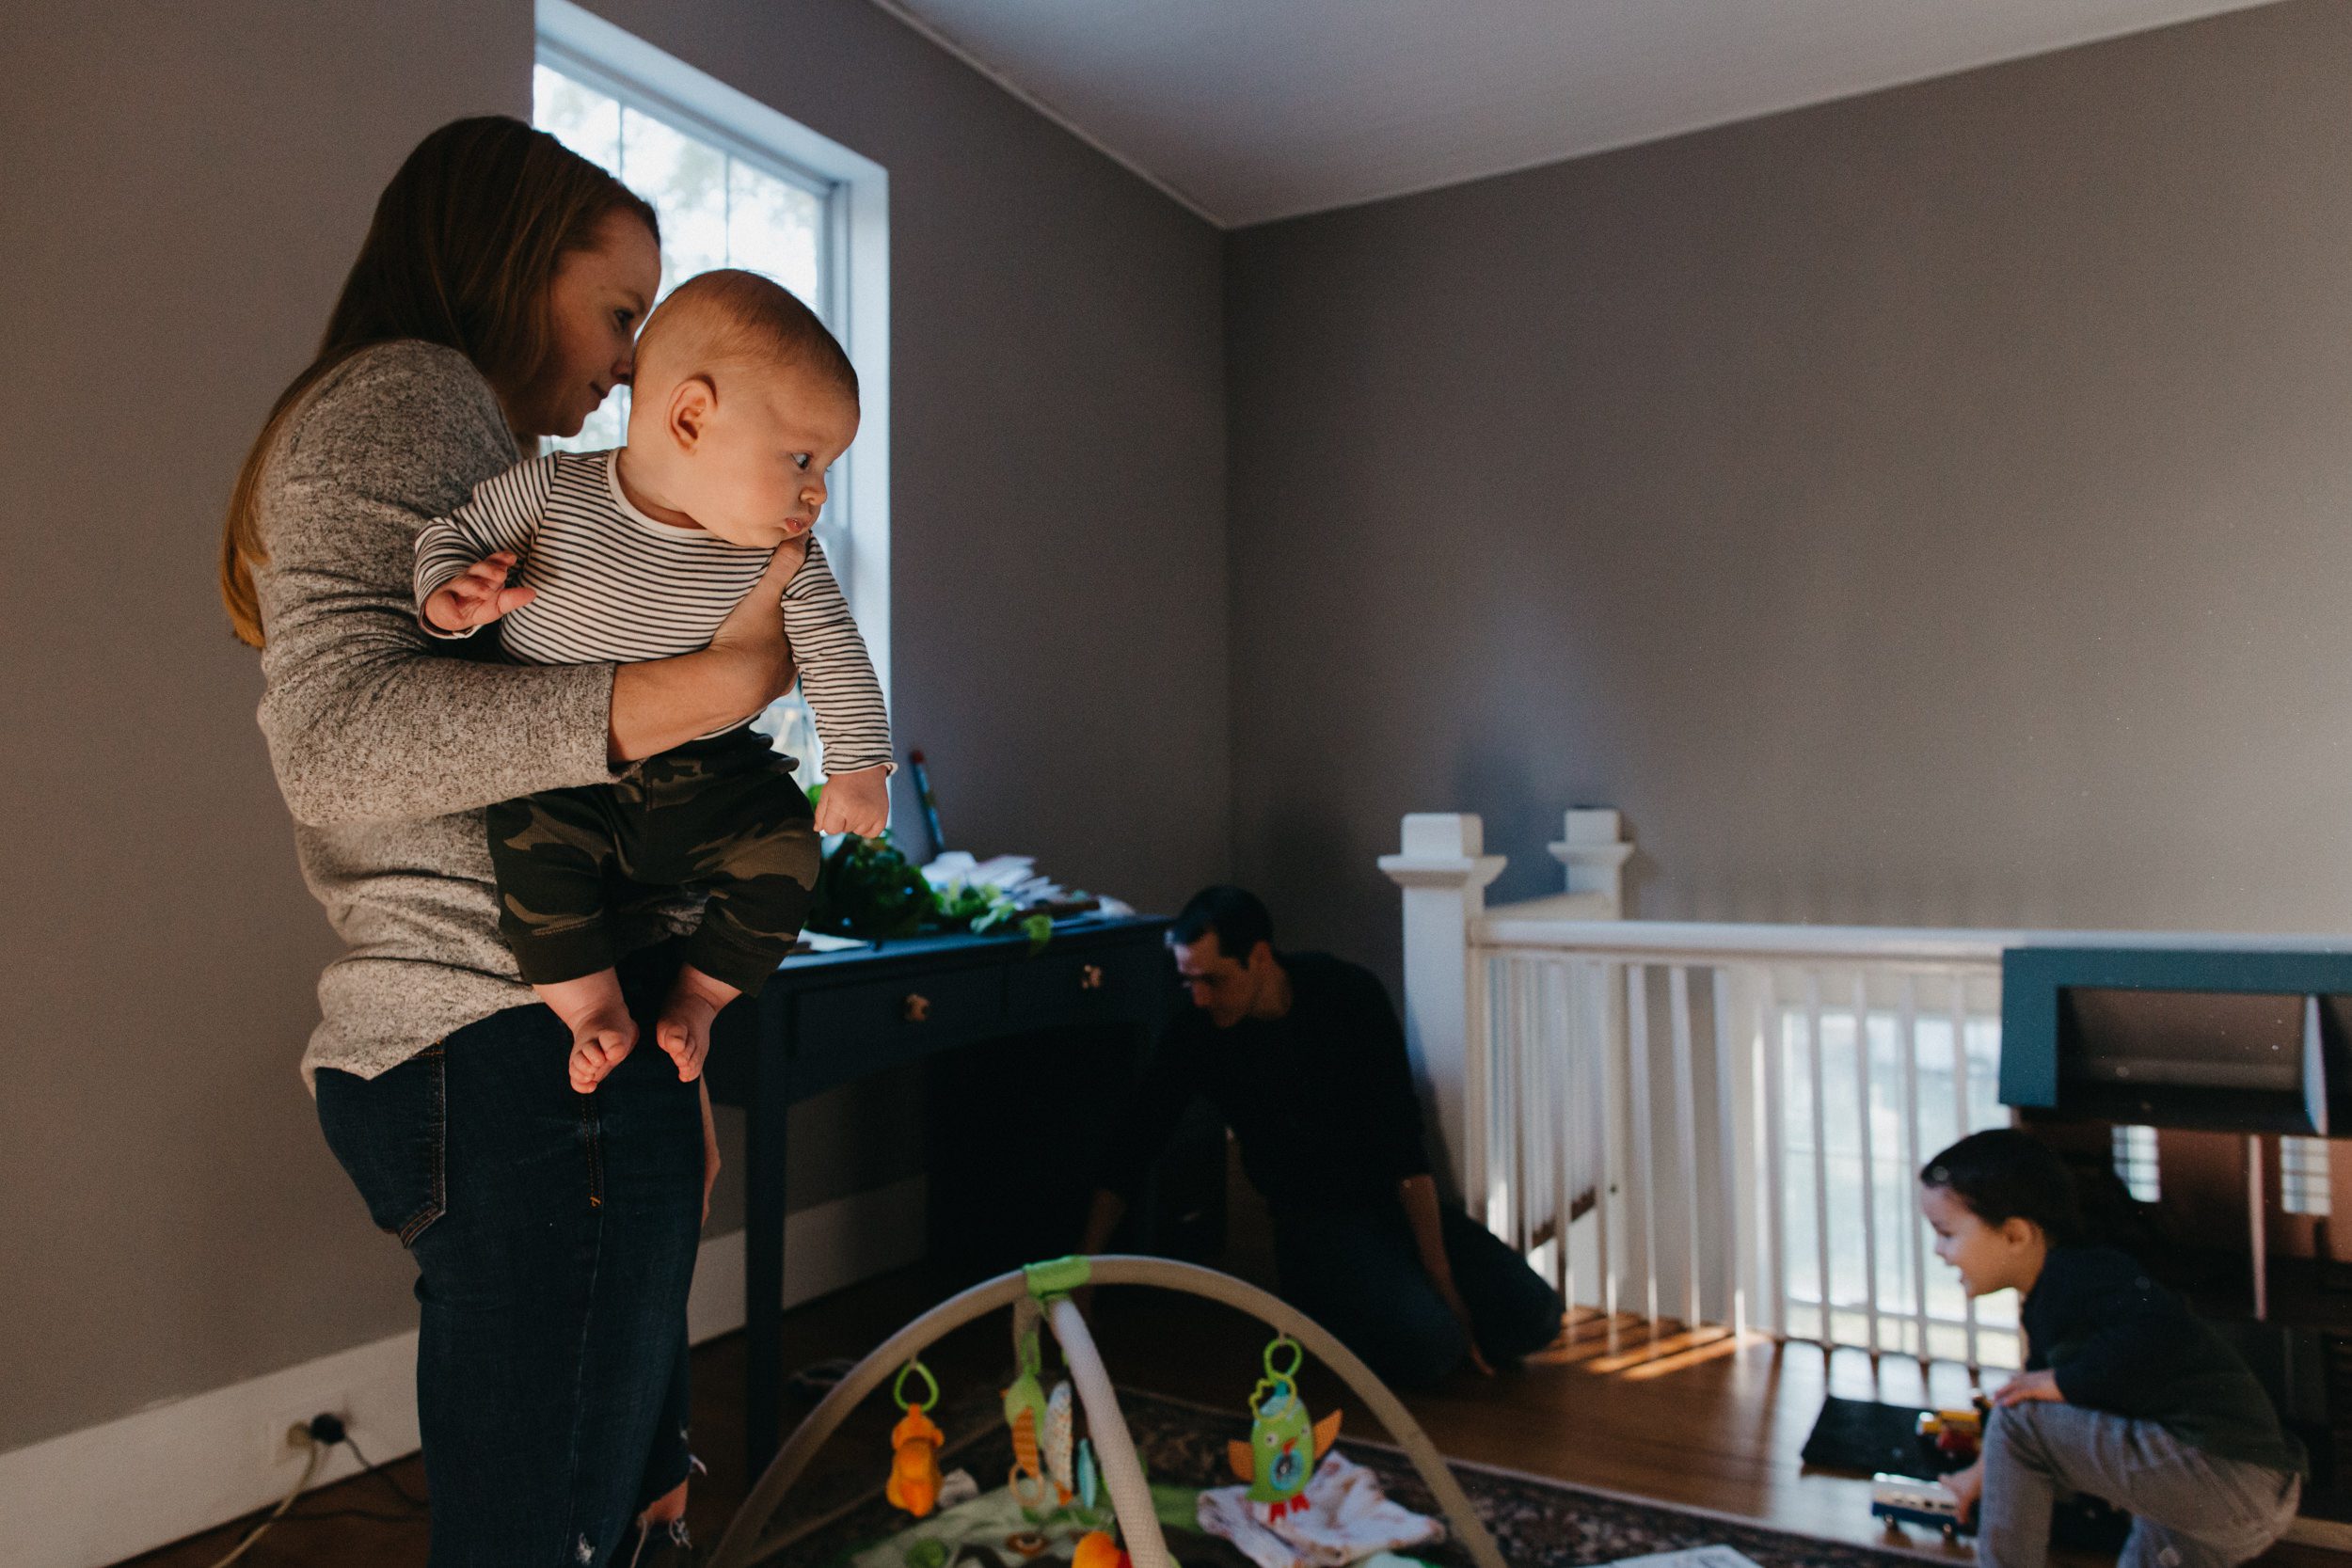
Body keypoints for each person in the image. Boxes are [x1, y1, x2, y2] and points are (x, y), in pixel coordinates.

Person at [224, 116, 801, 1566]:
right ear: (504, 261)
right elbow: (342, 740)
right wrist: (713, 685)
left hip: (534, 1043)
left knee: (611, 1510)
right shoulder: (417, 395)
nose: (626, 362)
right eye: (619, 312)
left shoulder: (469, 452)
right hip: (510, 1041)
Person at [414, 267, 892, 1096]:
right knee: (531, 861)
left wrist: (858, 762)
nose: (816, 492)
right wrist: (449, 596)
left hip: (705, 771)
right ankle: (591, 1007)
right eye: (804, 458)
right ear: (691, 416)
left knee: (785, 843)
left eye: (827, 468)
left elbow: (833, 647)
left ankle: (702, 997)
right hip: (562, 774)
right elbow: (452, 534)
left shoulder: (780, 551)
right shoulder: (555, 491)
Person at [1080, 886, 1564, 1388]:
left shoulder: (1347, 994)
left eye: (1214, 981)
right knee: (1433, 1347)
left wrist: (1444, 1280)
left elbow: (1406, 1149)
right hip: (1314, 1223)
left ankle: (1417, 1302)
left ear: (1260, 957)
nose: (1200, 997)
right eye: (1188, 983)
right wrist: (1085, 1278)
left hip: (1385, 1202)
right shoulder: (1197, 1031)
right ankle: (1349, 1312)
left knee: (1538, 1315)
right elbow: (1133, 1147)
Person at [1920, 1130, 2305, 1568]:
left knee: (2017, 1419)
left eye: (1946, 1233)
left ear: (2014, 1235)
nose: (1940, 1251)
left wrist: (2064, 1382)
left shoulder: (2085, 1275)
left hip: (2223, 1476)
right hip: (2231, 1504)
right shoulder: (2053, 1301)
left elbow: (2155, 1331)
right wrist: (1977, 1476)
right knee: (2022, 1407)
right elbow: (2030, 1394)